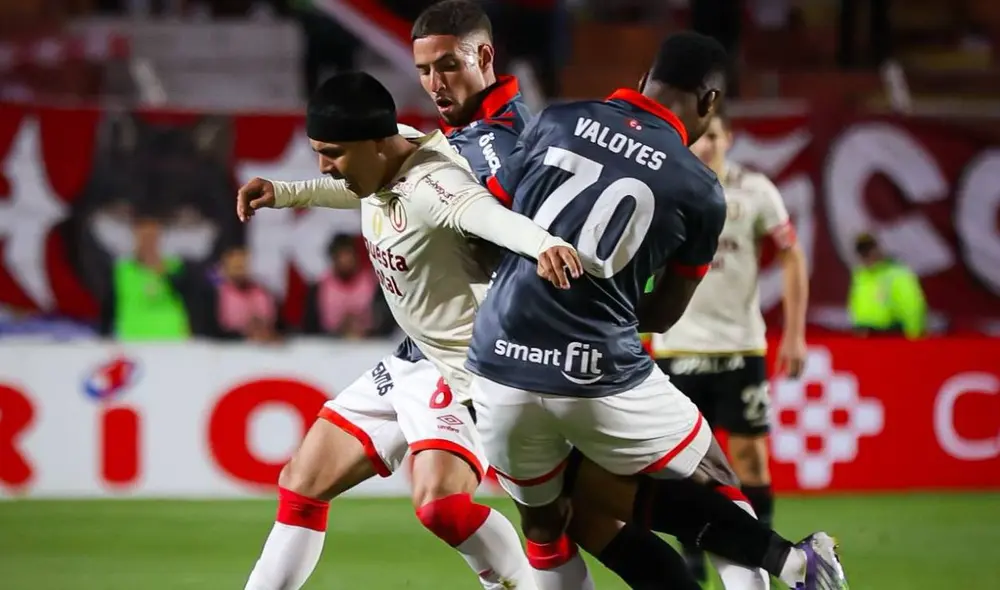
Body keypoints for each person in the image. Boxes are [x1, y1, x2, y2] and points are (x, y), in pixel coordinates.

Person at [466, 31, 850, 590]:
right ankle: (797, 566)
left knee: (554, 523)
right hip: (597, 370)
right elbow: (664, 313)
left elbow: (484, 225)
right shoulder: (701, 189)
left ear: (647, 77)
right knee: (719, 485)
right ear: (710, 102)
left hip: (497, 366)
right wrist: (599, 301)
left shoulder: (555, 119)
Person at [238, 71, 583, 590]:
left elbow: (487, 216)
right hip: (413, 355)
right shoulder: (379, 161)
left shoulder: (434, 186)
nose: (325, 166)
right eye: (317, 152)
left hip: (467, 365)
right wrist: (285, 192)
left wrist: (545, 246)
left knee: (441, 507)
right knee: (302, 483)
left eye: (332, 153)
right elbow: (351, 190)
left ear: (378, 144)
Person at [648, 110, 810, 585]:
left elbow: (792, 252)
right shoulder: (664, 186)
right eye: (699, 138)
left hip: (740, 347)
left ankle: (762, 549)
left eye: (714, 137)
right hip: (677, 349)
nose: (705, 145)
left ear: (729, 139)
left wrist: (795, 332)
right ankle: (693, 556)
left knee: (751, 458)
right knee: (681, 464)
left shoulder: (755, 190)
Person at [848, 232, 926, 339]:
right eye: (863, 253)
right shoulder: (861, 275)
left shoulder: (897, 273)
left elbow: (912, 307)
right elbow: (857, 305)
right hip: (864, 334)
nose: (867, 256)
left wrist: (914, 337)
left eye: (869, 251)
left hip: (889, 334)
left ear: (878, 250)